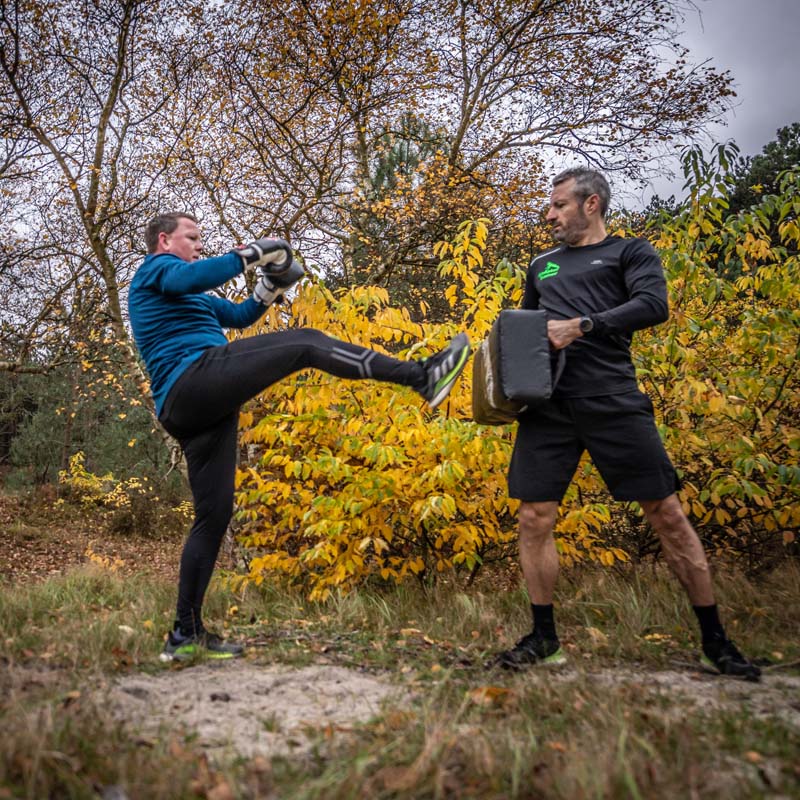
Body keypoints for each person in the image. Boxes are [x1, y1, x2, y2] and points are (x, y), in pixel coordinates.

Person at [128, 213, 470, 662]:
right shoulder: (155, 271)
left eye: (200, 239)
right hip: (191, 381)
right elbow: (195, 275)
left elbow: (241, 316)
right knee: (307, 343)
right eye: (191, 238)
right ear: (163, 240)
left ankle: (184, 633)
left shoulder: (196, 299)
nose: (199, 245)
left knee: (213, 516)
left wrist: (270, 286)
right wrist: (255, 253)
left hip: (195, 409)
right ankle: (421, 376)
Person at [494, 168, 760, 681]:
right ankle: (544, 640)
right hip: (548, 408)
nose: (549, 215)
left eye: (559, 205)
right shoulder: (541, 265)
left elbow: (653, 306)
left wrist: (583, 325)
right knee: (533, 516)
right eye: (550, 206)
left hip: (613, 399)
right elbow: (524, 331)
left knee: (666, 512)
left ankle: (716, 643)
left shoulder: (630, 252)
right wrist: (504, 391)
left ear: (591, 204)